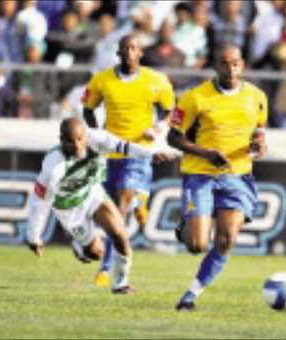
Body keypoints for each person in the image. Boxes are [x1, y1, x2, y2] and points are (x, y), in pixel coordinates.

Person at [167, 45, 268, 311]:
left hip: (236, 175)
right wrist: (206, 153)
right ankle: (187, 227)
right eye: (225, 64)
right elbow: (173, 137)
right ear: (216, 66)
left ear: (242, 65)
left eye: (235, 64)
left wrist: (259, 145)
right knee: (197, 244)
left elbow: (259, 132)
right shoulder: (194, 97)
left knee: (227, 239)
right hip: (200, 173)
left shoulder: (257, 97)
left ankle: (191, 295)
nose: (230, 69)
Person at [26, 117, 173, 293]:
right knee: (96, 253)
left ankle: (121, 284)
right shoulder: (53, 166)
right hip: (69, 208)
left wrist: (151, 154)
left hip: (92, 193)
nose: (78, 146)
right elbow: (40, 201)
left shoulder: (98, 139)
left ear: (85, 135)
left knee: (120, 233)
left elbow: (125, 147)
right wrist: (34, 235)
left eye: (80, 139)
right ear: (62, 141)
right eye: (71, 142)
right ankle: (81, 248)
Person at [83, 34, 174, 287]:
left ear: (140, 53)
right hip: (111, 152)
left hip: (139, 151)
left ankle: (106, 268)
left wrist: (158, 129)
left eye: (133, 48)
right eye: (124, 48)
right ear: (119, 52)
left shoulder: (156, 80)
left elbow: (170, 110)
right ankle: (140, 200)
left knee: (119, 208)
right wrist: (96, 134)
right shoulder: (102, 80)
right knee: (110, 210)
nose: (128, 52)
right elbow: (87, 108)